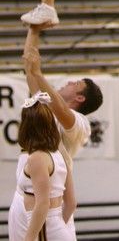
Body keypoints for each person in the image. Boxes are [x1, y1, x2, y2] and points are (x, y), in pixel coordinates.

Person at [22, 26, 103, 164]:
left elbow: (62, 110)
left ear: (80, 98)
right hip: (30, 175)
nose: (70, 82)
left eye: (76, 83)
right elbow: (29, 68)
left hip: (55, 183)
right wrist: (34, 29)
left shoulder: (82, 123)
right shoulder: (46, 104)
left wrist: (38, 73)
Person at [8, 91, 76, 241]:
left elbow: (43, 204)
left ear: (26, 126)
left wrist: (29, 238)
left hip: (44, 229)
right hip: (55, 227)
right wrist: (59, 227)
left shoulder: (37, 158)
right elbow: (71, 202)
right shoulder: (59, 155)